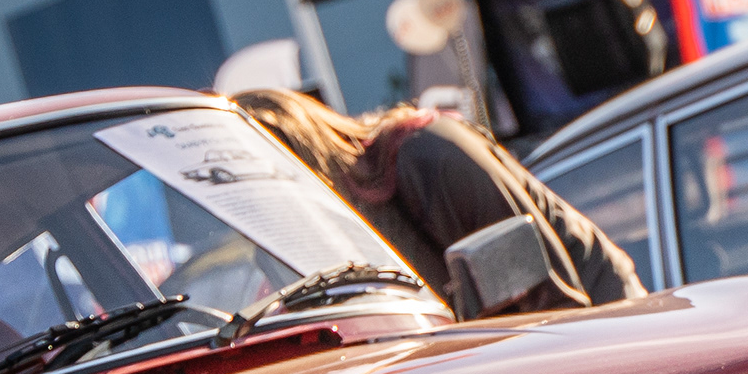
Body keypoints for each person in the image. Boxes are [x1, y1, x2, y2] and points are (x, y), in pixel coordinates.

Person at [231, 90, 644, 310]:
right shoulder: (301, 245)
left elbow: (554, 300)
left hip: (605, 323)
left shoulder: (428, 155)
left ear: (304, 158)